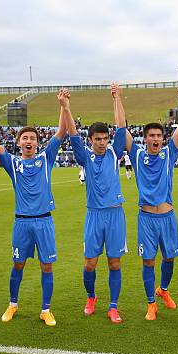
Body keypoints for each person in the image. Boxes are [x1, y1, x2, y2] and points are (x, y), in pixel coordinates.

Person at [0, 92, 71, 327]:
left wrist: (63, 106)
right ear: (19, 143)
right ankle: (12, 304)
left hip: (44, 221)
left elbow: (61, 133)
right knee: (18, 264)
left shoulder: (45, 158)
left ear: (37, 142)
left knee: (46, 265)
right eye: (24, 138)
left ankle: (46, 310)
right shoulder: (14, 163)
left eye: (32, 138)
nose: (29, 141)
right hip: (22, 222)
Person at [122, 86, 178, 320]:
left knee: (169, 258)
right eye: (152, 135)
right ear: (146, 138)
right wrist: (117, 97)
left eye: (159, 135)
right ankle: (151, 303)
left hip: (168, 217)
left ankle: (164, 290)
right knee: (148, 260)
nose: (156, 139)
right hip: (147, 218)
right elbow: (122, 129)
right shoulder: (137, 155)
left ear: (163, 138)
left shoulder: (169, 154)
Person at [70, 82, 127, 324]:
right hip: (94, 215)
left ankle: (113, 306)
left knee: (114, 262)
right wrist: (66, 106)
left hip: (115, 214)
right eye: (98, 139)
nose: (102, 142)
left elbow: (122, 127)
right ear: (91, 140)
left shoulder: (115, 153)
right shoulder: (85, 156)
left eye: (105, 138)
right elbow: (72, 134)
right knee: (90, 263)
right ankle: (91, 297)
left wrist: (117, 98)